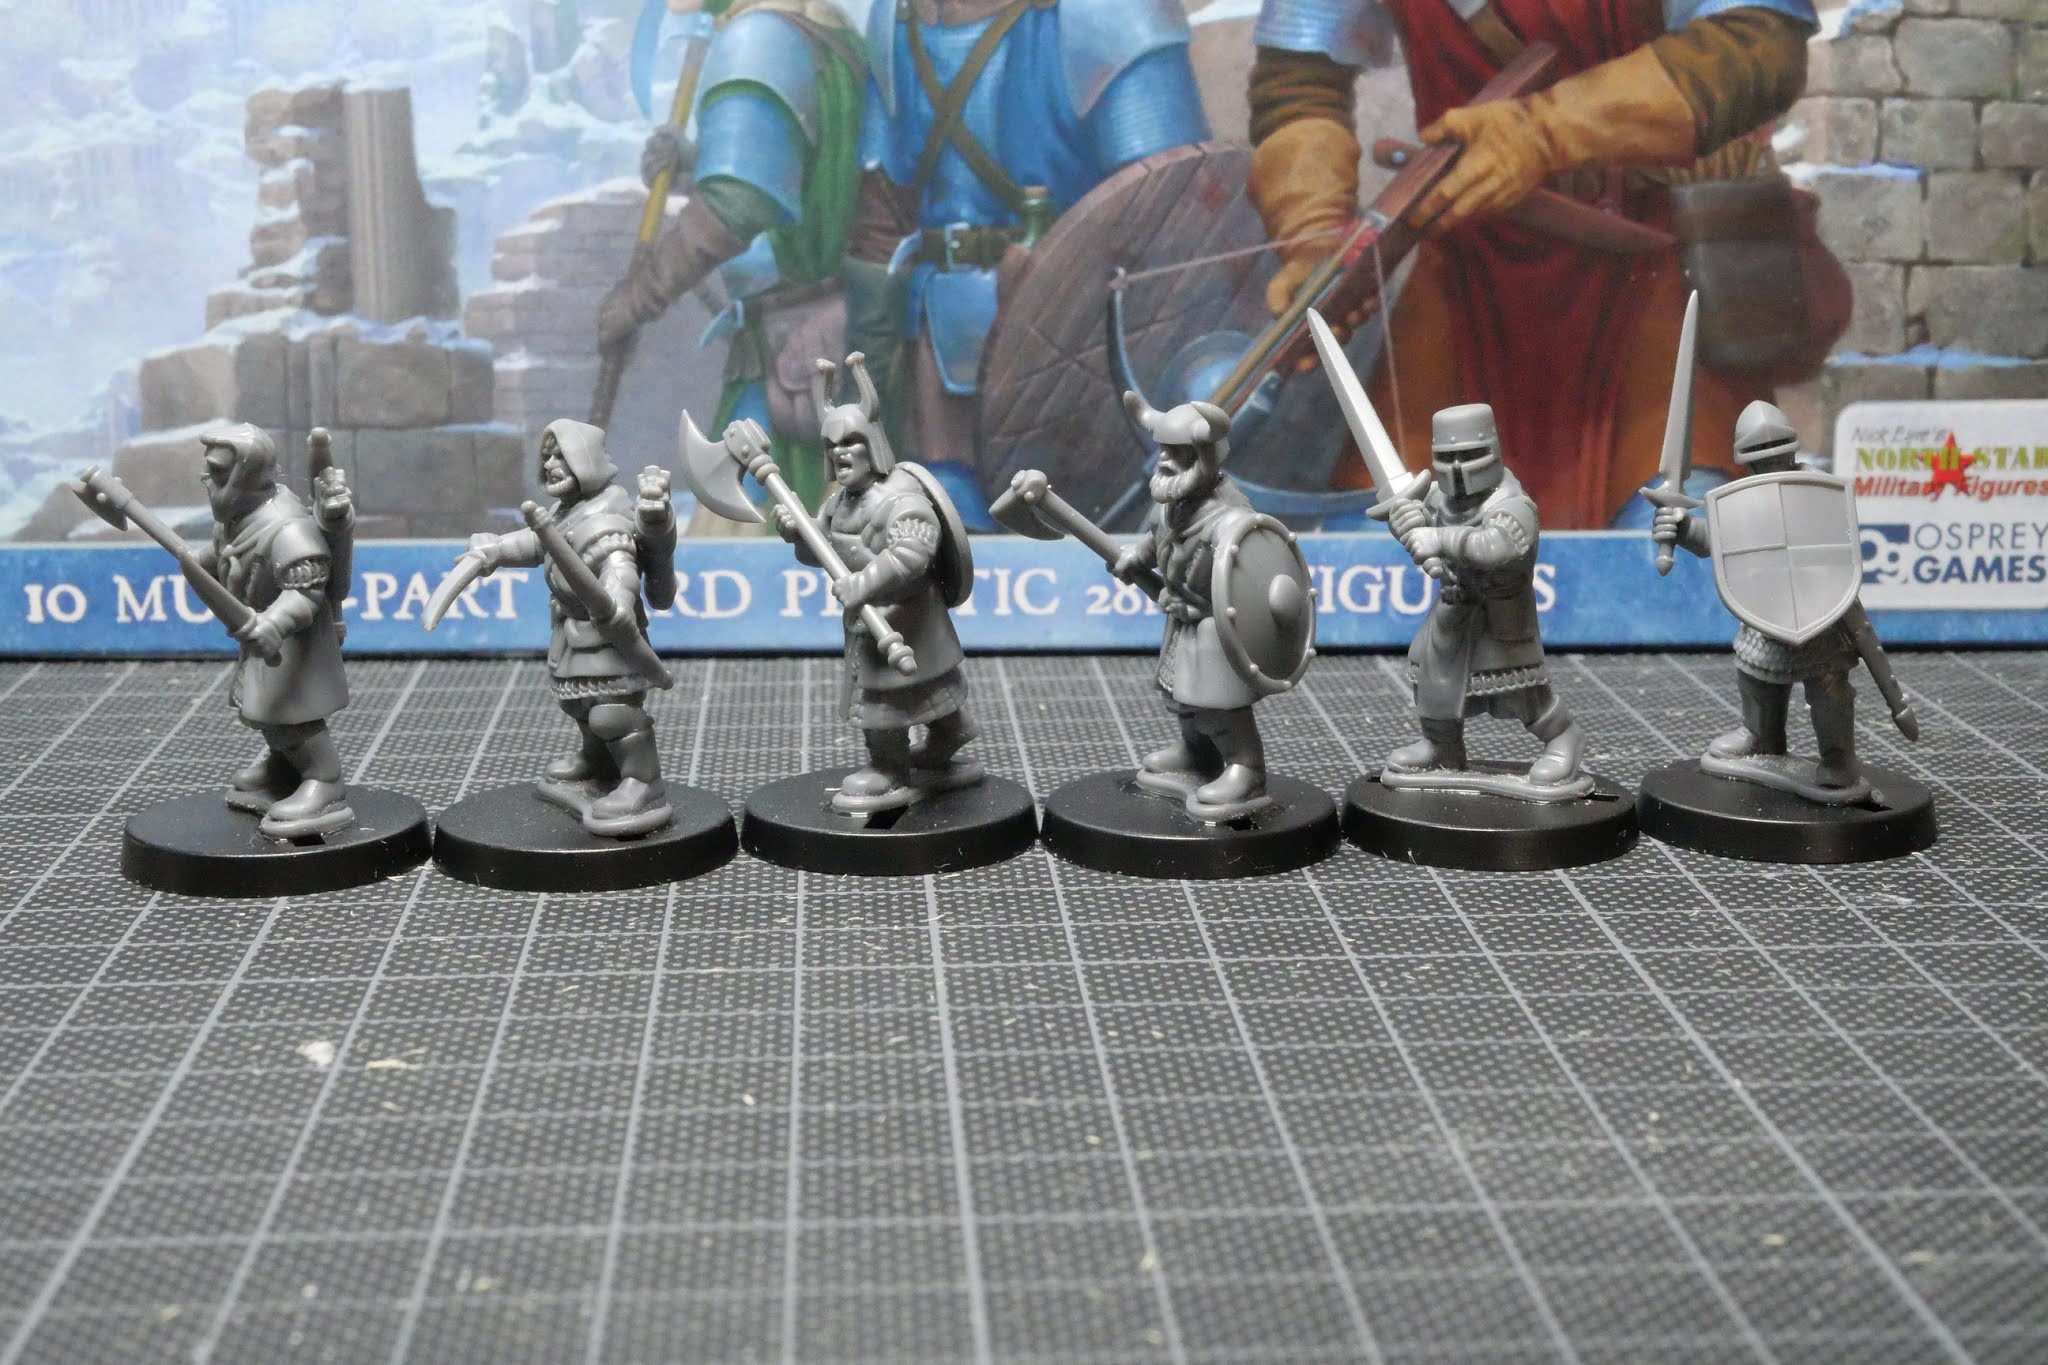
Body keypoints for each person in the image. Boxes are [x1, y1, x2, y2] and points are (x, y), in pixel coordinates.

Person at [1247, 0, 1825, 527]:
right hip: (1465, 281)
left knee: (1678, 528)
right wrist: (1313, 234)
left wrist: (1545, 131)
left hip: (1656, 277)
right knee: (1384, 537)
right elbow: (1298, 83)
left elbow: (1757, 43)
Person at [843, 0, 1212, 525]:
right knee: (944, 509)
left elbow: (1175, 208)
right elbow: (881, 215)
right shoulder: (899, 15)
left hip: (1090, 345)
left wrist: (1064, 281)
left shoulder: (1114, 15)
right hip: (939, 343)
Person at [600, 0, 867, 513]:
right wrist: (698, 163)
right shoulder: (817, 23)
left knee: (765, 523)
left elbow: (737, 205)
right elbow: (799, 168)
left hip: (789, 354)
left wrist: (639, 297)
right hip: (819, 334)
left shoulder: (758, 37)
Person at [763, 352, 984, 811]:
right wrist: (798, 533)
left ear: (872, 444)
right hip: (871, 625)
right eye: (832, 446)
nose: (840, 453)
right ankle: (950, 732)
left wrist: (864, 584)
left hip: (908, 618)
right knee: (905, 689)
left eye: (850, 442)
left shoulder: (900, 498)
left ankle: (890, 768)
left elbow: (912, 554)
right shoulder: (838, 504)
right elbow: (822, 553)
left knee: (885, 701)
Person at [459, 421, 679, 836]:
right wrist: (496, 549)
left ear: (585, 461)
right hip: (572, 635)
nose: (551, 465)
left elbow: (620, 565)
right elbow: (536, 544)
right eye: (547, 457)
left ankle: (643, 782)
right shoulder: (568, 513)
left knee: (613, 714)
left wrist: (618, 598)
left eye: (561, 456)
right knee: (579, 706)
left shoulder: (604, 522)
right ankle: (597, 761)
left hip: (606, 640)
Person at [1651, 400, 1862, 791]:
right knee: (1755, 675)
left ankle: (1838, 755)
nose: (1769, 462)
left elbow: (1833, 541)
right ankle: (1762, 736)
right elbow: (1723, 541)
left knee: (1828, 686)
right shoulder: (1742, 498)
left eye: (1775, 452)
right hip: (1766, 608)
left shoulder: (1815, 487)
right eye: (1759, 456)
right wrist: (1684, 529)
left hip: (1817, 608)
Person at [1381, 403, 1587, 793]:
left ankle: (1563, 738)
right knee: (1430, 676)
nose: (1458, 468)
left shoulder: (1512, 505)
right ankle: (1441, 747)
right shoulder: (1441, 502)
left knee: (1521, 688)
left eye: (1469, 455)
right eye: (1448, 458)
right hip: (1452, 613)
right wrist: (1406, 522)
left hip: (1499, 615)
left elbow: (1496, 546)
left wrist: (1438, 538)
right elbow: (1422, 525)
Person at [1111, 397, 1275, 822]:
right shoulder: (1172, 502)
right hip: (1182, 623)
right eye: (1163, 450)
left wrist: (1205, 604)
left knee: (1220, 703)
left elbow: (1249, 571)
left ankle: (1245, 769)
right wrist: (1137, 557)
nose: (1166, 461)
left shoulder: (1230, 514)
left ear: (1206, 455)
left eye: (1179, 453)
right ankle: (1196, 752)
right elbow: (1158, 538)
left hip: (1216, 629)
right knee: (1180, 697)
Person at [198, 424, 356, 838]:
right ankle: (283, 768)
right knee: (265, 710)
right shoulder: (237, 518)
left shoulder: (287, 528)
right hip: (263, 635)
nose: (206, 479)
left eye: (217, 472)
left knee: (293, 712)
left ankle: (325, 779)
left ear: (244, 475)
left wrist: (273, 623)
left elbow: (307, 590)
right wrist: (200, 565)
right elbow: (224, 556)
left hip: (295, 643)